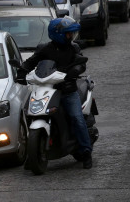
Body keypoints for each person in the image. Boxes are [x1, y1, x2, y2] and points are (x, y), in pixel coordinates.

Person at [18, 16, 93, 169]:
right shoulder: (44, 49)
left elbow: (81, 64)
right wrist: (21, 72)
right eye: (67, 34)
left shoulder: (73, 48)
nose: (70, 36)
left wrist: (75, 71)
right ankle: (32, 153)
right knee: (28, 112)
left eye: (71, 34)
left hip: (67, 91)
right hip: (47, 89)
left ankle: (86, 152)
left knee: (77, 119)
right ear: (58, 34)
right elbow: (31, 61)